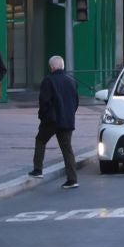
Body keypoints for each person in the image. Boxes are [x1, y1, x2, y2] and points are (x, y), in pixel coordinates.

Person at [30, 54, 80, 188]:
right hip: (67, 120)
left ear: (52, 67)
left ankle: (38, 169)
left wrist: (42, 116)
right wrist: (69, 114)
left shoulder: (48, 81)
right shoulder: (71, 81)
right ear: (62, 66)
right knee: (67, 149)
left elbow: (44, 102)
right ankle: (72, 179)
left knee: (40, 140)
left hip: (51, 120)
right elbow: (75, 102)